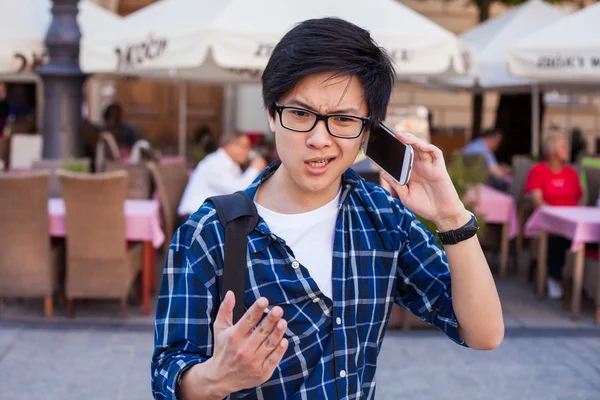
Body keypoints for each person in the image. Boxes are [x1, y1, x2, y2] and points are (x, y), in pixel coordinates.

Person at [152, 18, 504, 400]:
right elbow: (168, 371)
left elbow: (483, 333)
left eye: (343, 120)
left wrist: (452, 218)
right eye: (301, 114)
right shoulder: (212, 231)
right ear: (272, 114)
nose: (320, 139)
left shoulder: (383, 218)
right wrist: (216, 377)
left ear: (368, 130)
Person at [525, 129, 582, 299]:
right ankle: (554, 277)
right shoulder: (538, 171)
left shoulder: (571, 172)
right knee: (556, 239)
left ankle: (582, 282)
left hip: (573, 220)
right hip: (550, 222)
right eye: (563, 146)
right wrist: (555, 215)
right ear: (551, 150)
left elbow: (581, 198)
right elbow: (536, 199)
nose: (567, 150)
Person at [177, 130, 267, 218]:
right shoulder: (214, 163)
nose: (249, 152)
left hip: (208, 216)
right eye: (245, 147)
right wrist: (254, 169)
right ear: (230, 146)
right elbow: (240, 192)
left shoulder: (232, 164)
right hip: (193, 218)